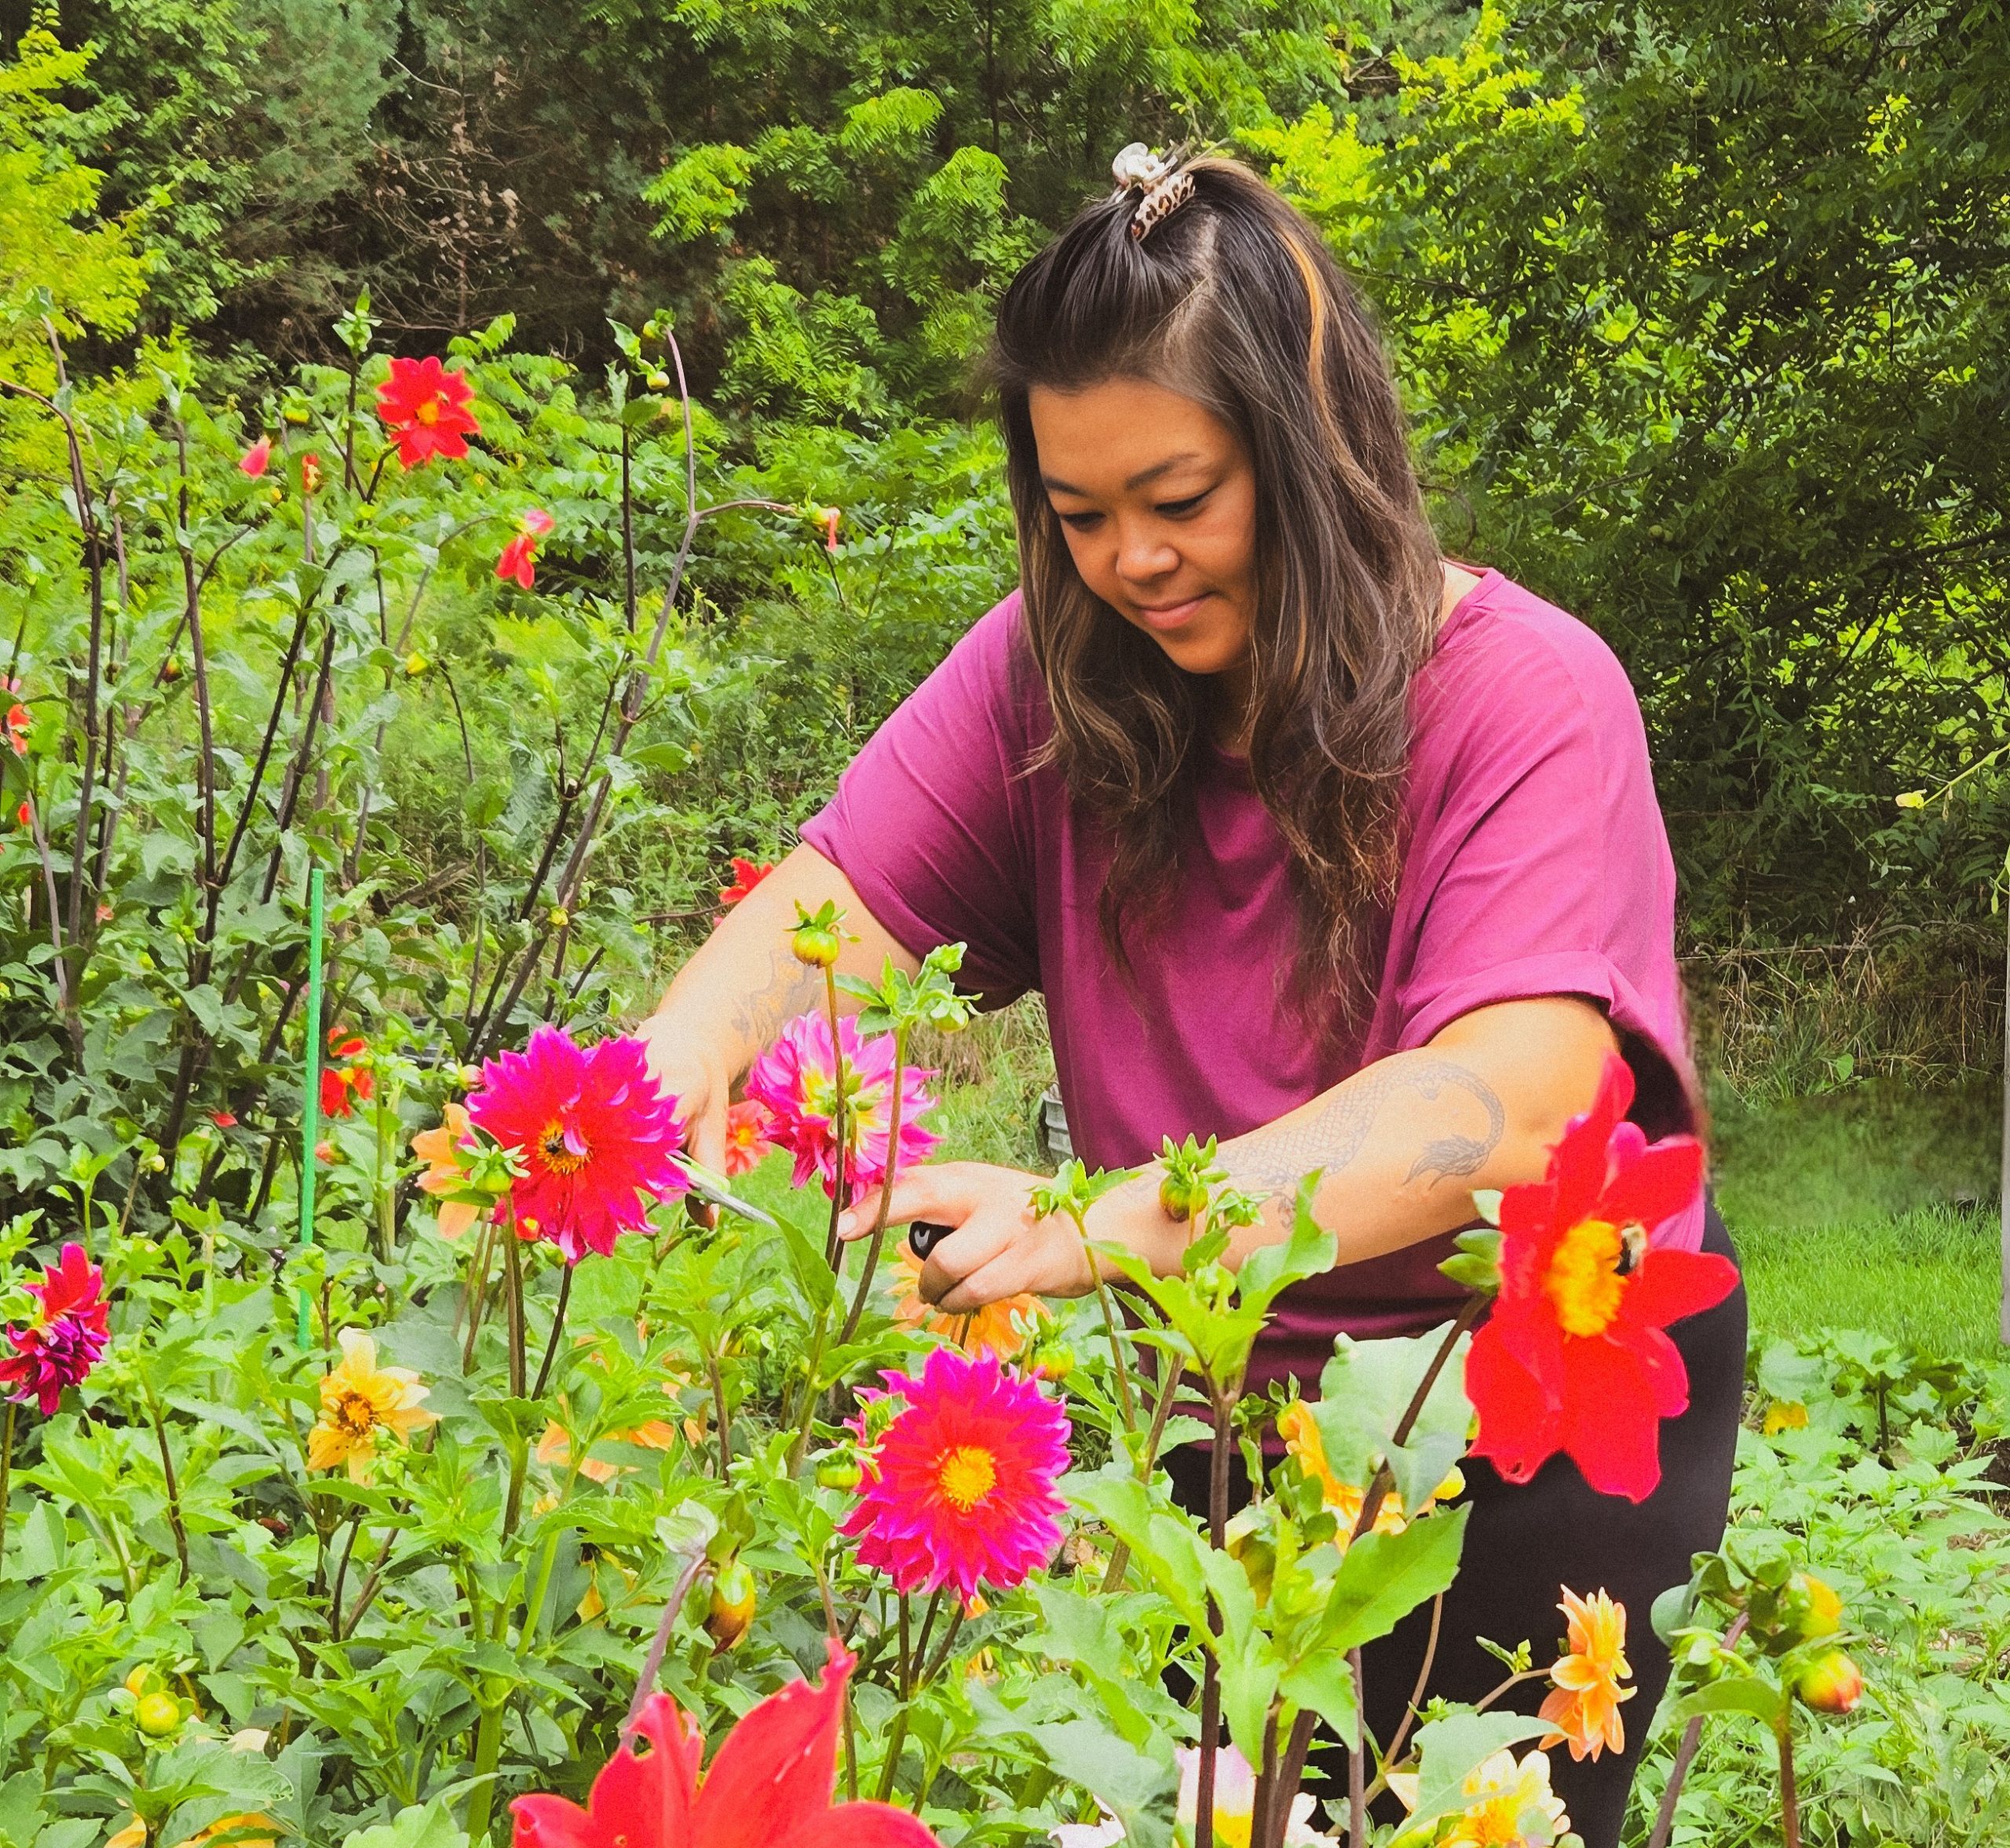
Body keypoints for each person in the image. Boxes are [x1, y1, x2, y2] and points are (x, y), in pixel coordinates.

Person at [638, 147, 1745, 1847]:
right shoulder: (1053, 668)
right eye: (1077, 514)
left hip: (1517, 1407)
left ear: (1309, 452)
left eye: (1178, 497)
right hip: (1229, 1391)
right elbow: (831, 906)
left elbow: (1502, 1102)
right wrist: (665, 1079)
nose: (1127, 562)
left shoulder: (1524, 694)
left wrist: (1104, 1218)